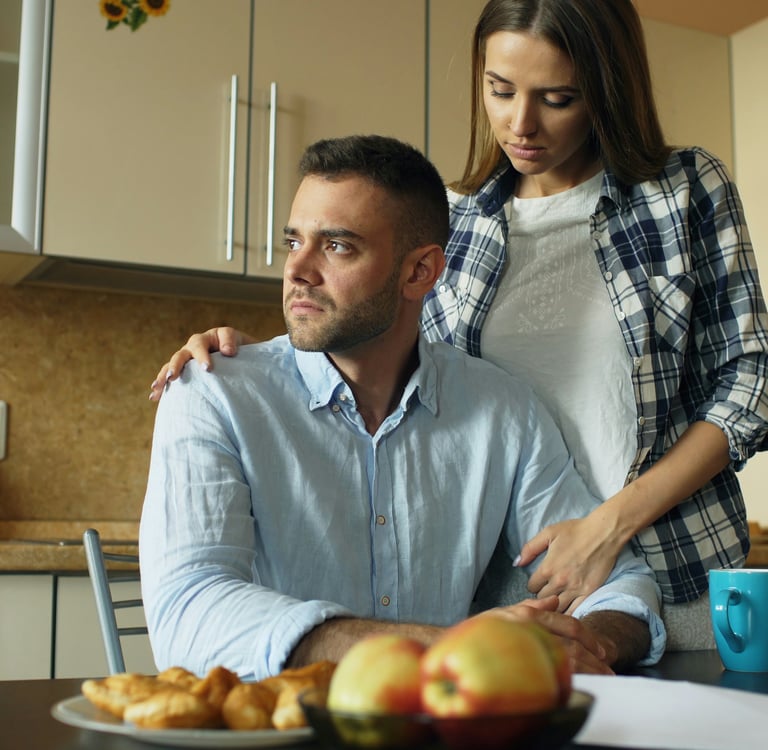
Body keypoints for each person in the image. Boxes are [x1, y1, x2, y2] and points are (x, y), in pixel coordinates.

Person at [149, 0, 768, 625]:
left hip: (670, 562)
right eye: (500, 90)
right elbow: (402, 359)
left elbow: (750, 382)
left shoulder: (684, 190)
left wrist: (609, 526)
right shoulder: (459, 220)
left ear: (607, 91)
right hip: (511, 586)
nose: (520, 123)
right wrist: (265, 363)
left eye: (557, 99)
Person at [140, 134, 665, 681]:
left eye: (337, 246)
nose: (297, 269)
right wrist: (443, 647)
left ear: (420, 272)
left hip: (447, 719)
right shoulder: (212, 392)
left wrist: (589, 645)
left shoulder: (503, 412)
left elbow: (621, 586)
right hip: (278, 720)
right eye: (294, 241)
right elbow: (188, 615)